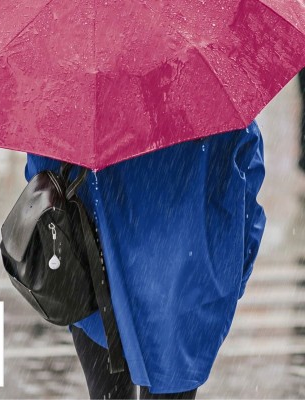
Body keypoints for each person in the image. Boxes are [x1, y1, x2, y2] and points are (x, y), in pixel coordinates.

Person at [24, 120, 266, 399]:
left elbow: (43, 173)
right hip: (183, 286)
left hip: (97, 275)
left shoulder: (81, 102)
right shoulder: (210, 104)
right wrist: (234, 274)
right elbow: (246, 175)